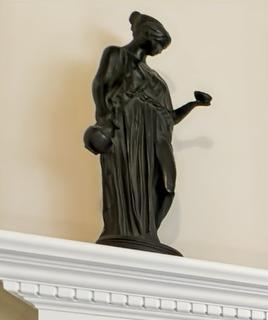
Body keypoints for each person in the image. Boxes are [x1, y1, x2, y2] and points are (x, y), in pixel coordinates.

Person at [84, 12, 211, 255]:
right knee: (128, 183)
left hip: (155, 140)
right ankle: (129, 231)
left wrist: (194, 105)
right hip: (126, 135)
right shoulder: (117, 55)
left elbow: (168, 118)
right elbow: (99, 86)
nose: (159, 51)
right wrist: (106, 122)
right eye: (159, 45)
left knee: (166, 185)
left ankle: (147, 232)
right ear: (146, 36)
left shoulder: (156, 80)